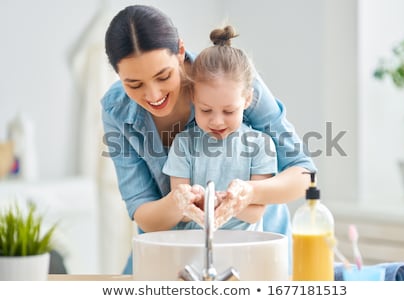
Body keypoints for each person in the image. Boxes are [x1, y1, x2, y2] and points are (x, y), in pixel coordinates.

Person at [101, 4, 316, 274]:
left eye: (163, 76)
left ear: (180, 51)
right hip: (172, 253)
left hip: (256, 249)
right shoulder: (116, 109)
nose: (153, 94)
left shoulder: (229, 78)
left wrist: (251, 193)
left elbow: (303, 172)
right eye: (134, 84)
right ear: (118, 76)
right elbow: (142, 209)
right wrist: (177, 203)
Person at [162, 25, 277, 231]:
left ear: (247, 99)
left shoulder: (261, 146)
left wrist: (223, 202)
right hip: (194, 248)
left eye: (229, 111)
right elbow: (181, 210)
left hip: (245, 250)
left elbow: (254, 213)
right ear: (193, 99)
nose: (217, 122)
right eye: (206, 110)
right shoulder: (183, 145)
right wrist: (195, 200)